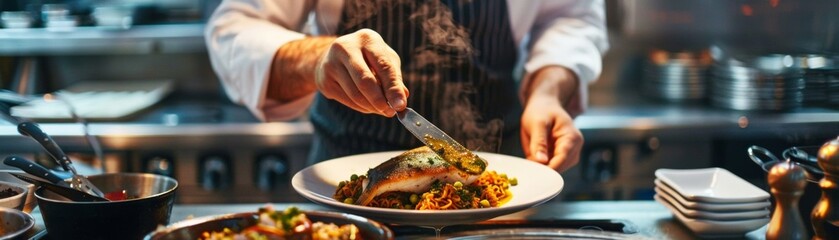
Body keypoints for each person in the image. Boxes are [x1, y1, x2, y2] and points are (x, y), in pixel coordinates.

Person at [205, 0, 608, 173]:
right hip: (348, 186)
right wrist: (316, 58)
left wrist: (547, 91)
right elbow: (235, 28)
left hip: (504, 183)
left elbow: (570, 16)